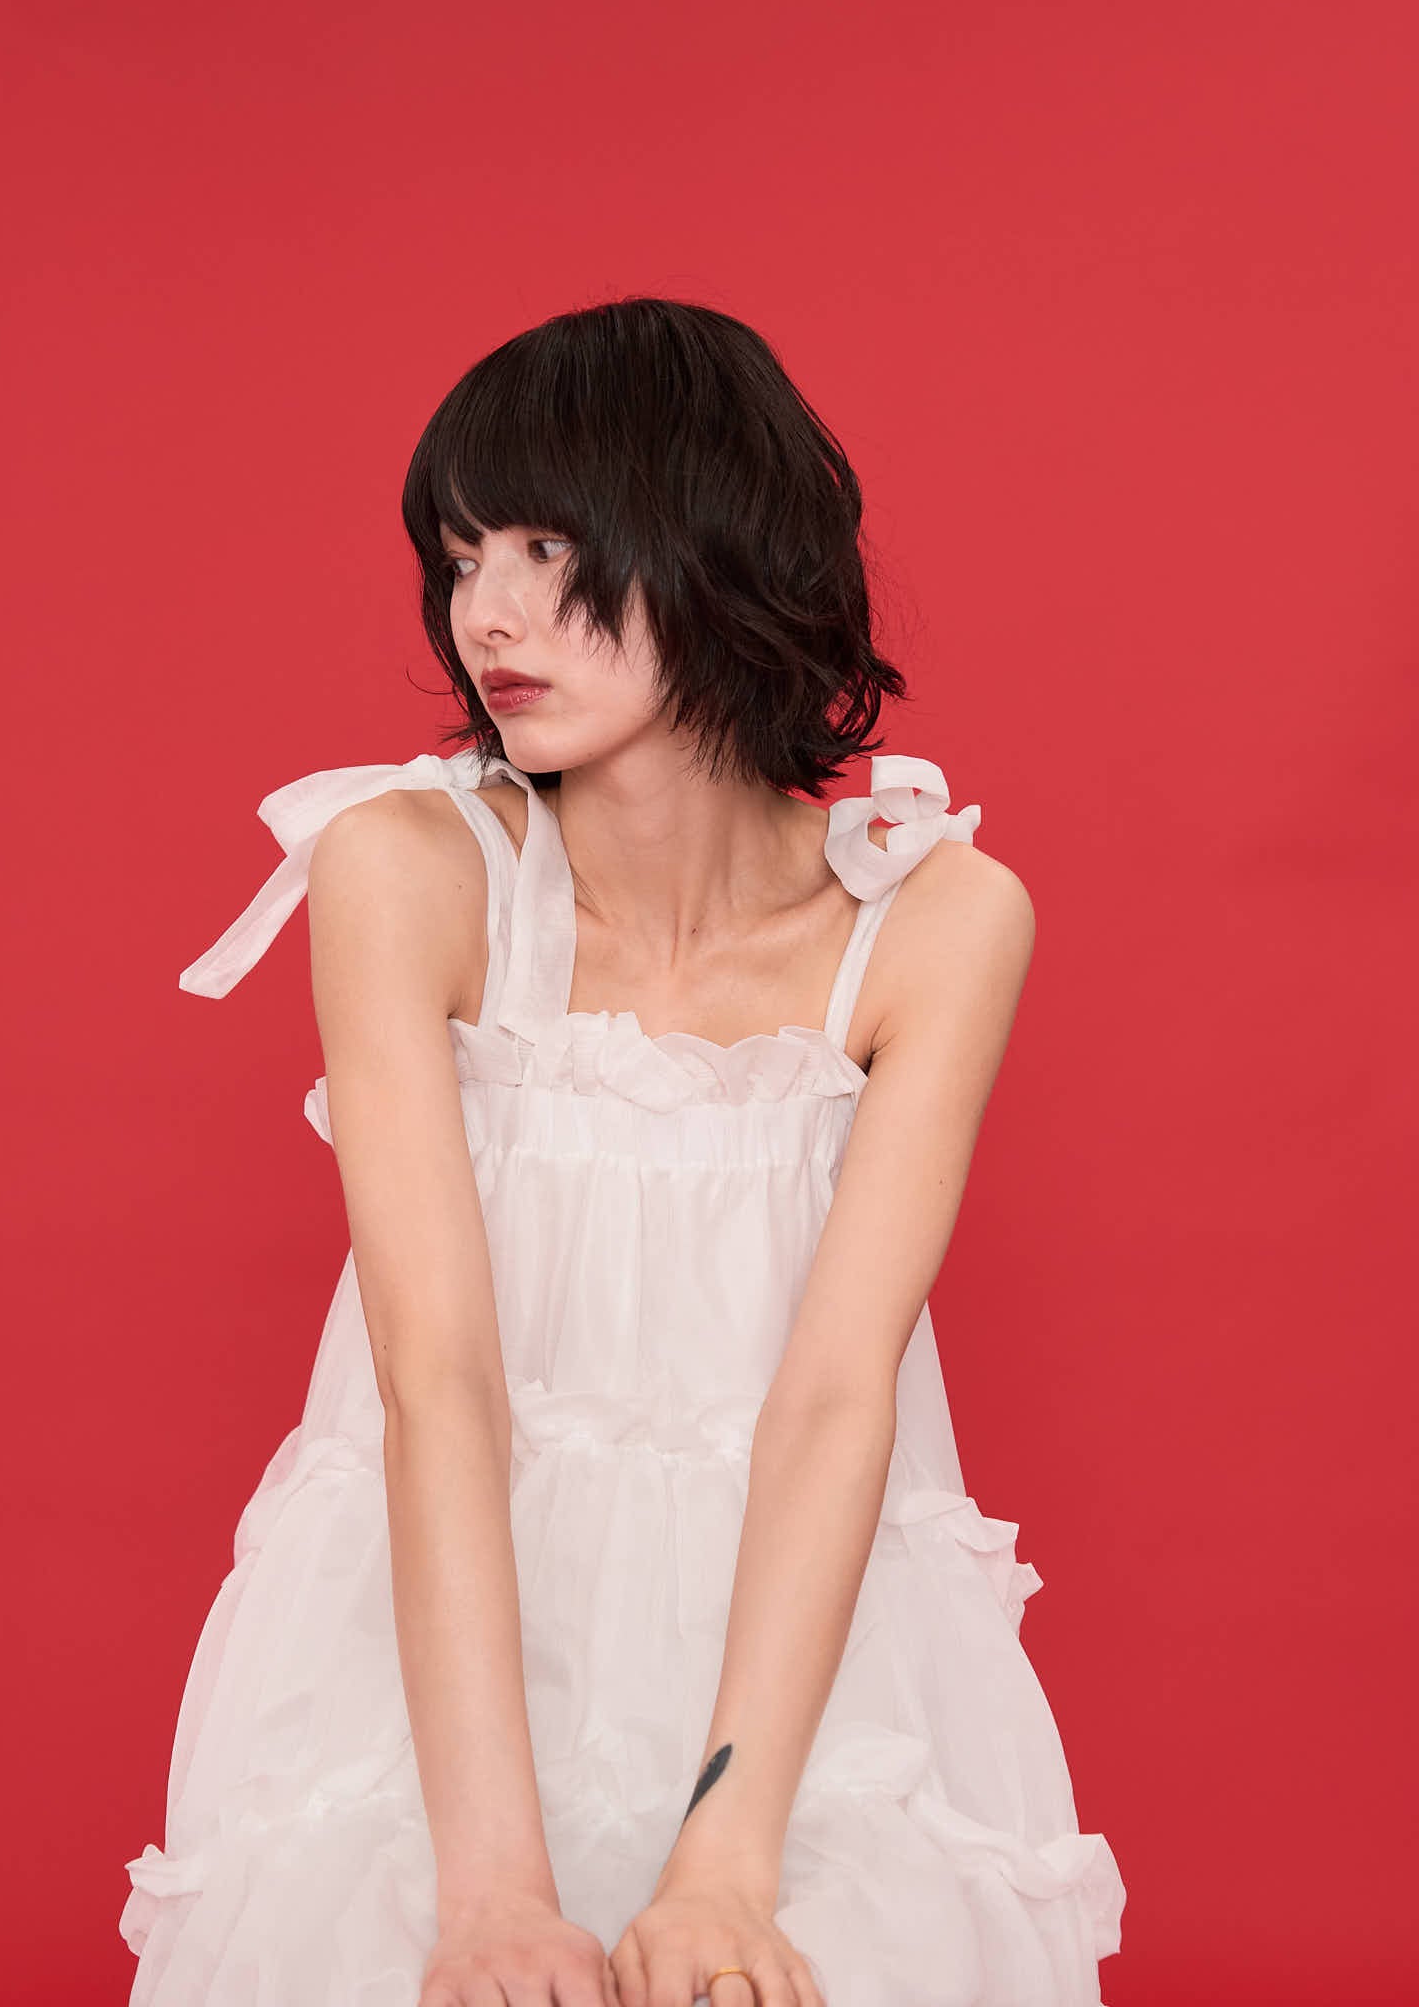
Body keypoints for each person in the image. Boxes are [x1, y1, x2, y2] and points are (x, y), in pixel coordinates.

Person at [120, 296, 1125, 2006]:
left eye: (544, 548)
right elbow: (438, 1380)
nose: (486, 615)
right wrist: (494, 1895)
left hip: (803, 1662)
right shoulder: (407, 873)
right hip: (443, 1657)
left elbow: (837, 1399)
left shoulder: (940, 922)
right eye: (461, 560)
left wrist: (724, 1866)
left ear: (714, 542)